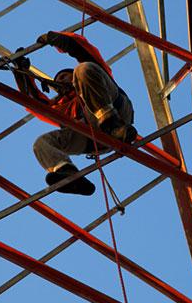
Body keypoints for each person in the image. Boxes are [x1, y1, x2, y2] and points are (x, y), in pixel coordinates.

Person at [12, 30, 136, 196]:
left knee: (84, 69)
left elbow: (83, 50)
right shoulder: (61, 109)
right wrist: (22, 74)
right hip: (93, 138)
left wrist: (58, 40)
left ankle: (111, 123)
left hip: (117, 111)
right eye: (59, 80)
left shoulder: (93, 74)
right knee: (41, 143)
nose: (62, 80)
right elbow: (33, 103)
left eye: (65, 76)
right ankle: (67, 172)